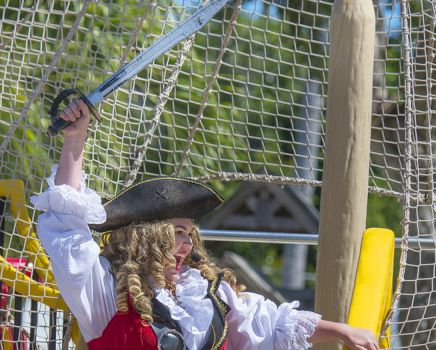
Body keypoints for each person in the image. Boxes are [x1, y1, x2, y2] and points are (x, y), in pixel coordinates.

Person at [31, 100, 380, 350]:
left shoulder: (207, 293)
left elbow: (272, 324)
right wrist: (75, 142)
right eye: (177, 233)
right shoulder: (107, 292)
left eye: (189, 234)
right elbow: (68, 229)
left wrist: (344, 331)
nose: (187, 245)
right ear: (146, 240)